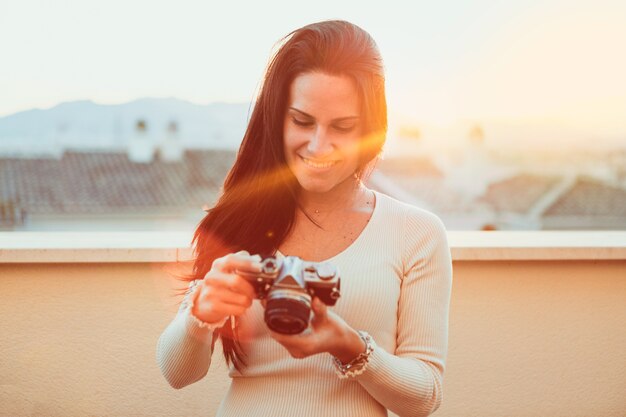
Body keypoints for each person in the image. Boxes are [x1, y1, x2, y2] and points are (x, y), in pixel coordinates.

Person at [157, 20, 452, 417]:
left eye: (342, 127)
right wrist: (199, 314)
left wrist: (347, 344)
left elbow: (424, 398)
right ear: (276, 119)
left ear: (371, 129)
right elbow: (177, 374)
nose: (318, 145)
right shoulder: (240, 220)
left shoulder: (416, 233)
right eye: (302, 121)